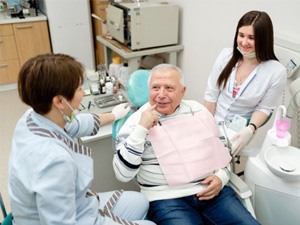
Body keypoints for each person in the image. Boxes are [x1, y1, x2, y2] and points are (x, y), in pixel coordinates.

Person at [8, 53, 156, 225]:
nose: (82, 93)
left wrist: (114, 115)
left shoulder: (34, 116)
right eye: (79, 88)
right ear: (59, 101)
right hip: (68, 219)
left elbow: (76, 123)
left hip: (76, 204)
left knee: (141, 202)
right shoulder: (53, 160)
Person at [113, 64, 260, 225]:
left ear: (182, 92)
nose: (161, 95)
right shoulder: (135, 123)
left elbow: (221, 151)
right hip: (166, 198)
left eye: (169, 88)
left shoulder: (198, 111)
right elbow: (123, 174)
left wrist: (222, 177)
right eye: (155, 87)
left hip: (212, 192)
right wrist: (141, 130)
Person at [204, 10, 287, 155]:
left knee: (217, 161)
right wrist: (206, 125)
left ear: (264, 40)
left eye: (251, 38)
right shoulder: (225, 56)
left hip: (240, 130)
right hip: (212, 119)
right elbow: (211, 94)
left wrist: (250, 129)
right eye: (241, 35)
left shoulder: (276, 71)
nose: (244, 42)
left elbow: (264, 108)